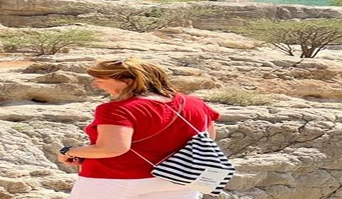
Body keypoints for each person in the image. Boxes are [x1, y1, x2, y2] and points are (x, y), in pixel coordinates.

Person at [59, 58, 221, 199]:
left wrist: (69, 151)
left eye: (101, 79)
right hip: (180, 178)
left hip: (115, 179)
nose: (96, 84)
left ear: (128, 82)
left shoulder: (117, 109)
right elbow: (208, 137)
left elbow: (113, 148)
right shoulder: (195, 103)